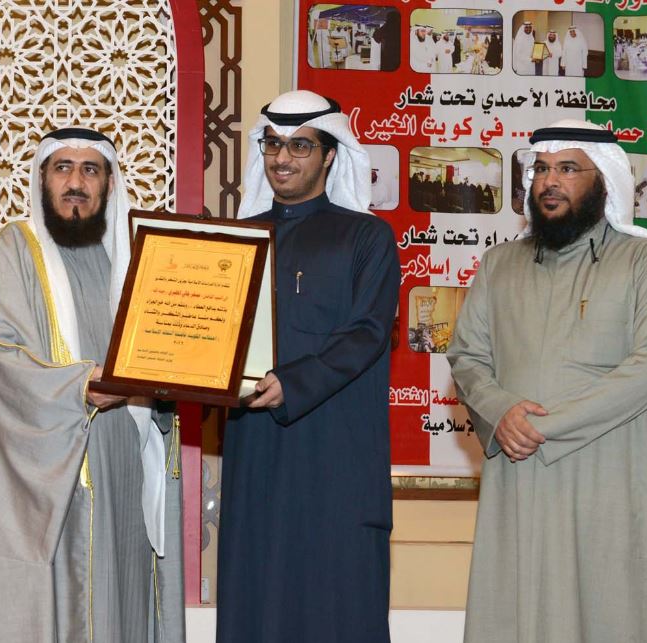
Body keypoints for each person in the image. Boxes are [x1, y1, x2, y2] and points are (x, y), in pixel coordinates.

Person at [0, 126, 184, 643]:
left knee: (120, 604)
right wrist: (80, 387)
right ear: (42, 179)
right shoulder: (9, 252)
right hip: (45, 477)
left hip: (122, 467)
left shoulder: (134, 262)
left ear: (109, 184)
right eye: (63, 169)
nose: (76, 182)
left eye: (90, 170)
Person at [447, 119, 647, 643]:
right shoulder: (499, 264)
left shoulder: (646, 262)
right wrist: (502, 412)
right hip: (521, 477)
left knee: (613, 610)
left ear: (604, 182)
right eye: (542, 169)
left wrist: (544, 427)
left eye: (568, 169)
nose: (549, 181)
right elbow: (467, 357)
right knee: (520, 609)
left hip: (614, 475)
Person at [217, 90, 400, 642]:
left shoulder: (367, 237)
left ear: (330, 154)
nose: (282, 158)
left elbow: (368, 333)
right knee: (257, 599)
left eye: (300, 146)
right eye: (273, 144)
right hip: (257, 456)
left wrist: (291, 383)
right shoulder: (238, 241)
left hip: (335, 462)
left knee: (334, 606)